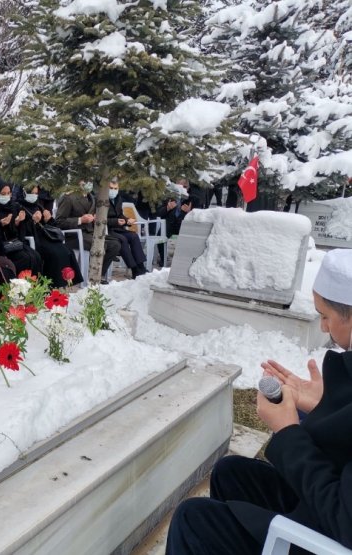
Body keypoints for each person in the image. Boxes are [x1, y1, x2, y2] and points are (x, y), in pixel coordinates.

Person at [166, 248, 352, 554]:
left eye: (326, 316)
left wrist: (289, 432)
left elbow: (343, 520)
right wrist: (327, 407)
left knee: (193, 519)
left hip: (328, 536)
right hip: (326, 509)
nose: (322, 327)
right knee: (231, 471)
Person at [55, 181, 120, 284]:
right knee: (101, 245)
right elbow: (59, 222)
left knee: (115, 244)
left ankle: (98, 274)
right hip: (74, 235)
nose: (88, 183)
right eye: (85, 181)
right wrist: (80, 220)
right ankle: (91, 276)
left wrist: (94, 218)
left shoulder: (91, 197)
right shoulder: (68, 198)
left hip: (89, 232)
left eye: (89, 181)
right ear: (78, 182)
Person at [20, 184, 83, 287]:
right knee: (54, 253)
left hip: (45, 237)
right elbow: (21, 230)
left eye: (36, 193)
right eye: (31, 193)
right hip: (34, 239)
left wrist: (48, 219)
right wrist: (32, 221)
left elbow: (51, 226)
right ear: (24, 193)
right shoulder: (19, 207)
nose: (34, 196)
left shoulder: (38, 205)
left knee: (67, 251)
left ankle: (66, 281)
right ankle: (54, 284)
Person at [0, 176, 43, 276]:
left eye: (8, 193)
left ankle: (34, 288)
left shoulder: (13, 206)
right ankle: (19, 287)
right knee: (24, 259)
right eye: (3, 194)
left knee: (35, 256)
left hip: (14, 243)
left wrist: (17, 222)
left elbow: (17, 233)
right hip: (0, 246)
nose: (6, 196)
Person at [106, 178, 147, 278]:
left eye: (115, 188)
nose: (113, 191)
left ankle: (141, 266)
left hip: (118, 228)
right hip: (107, 229)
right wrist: (116, 221)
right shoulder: (102, 200)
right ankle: (134, 269)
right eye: (111, 188)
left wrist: (127, 220)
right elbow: (100, 219)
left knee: (133, 236)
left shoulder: (118, 199)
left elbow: (120, 215)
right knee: (123, 239)